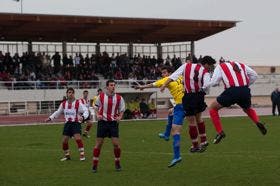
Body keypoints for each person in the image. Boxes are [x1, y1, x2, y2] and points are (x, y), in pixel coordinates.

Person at [160, 57, 214, 158]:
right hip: (199, 95)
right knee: (199, 119)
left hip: (189, 96)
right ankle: (204, 140)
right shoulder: (205, 71)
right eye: (210, 66)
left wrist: (164, 85)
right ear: (206, 64)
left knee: (191, 122)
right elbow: (207, 84)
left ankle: (195, 146)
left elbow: (173, 76)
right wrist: (202, 90)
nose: (210, 68)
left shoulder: (186, 66)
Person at [206, 60, 267, 144]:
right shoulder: (241, 64)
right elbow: (254, 75)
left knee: (213, 108)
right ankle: (257, 121)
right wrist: (246, 85)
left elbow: (214, 82)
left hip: (232, 91)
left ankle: (220, 132)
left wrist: (211, 80)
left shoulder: (221, 66)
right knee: (247, 108)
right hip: (245, 90)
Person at [135, 66, 186, 167]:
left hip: (181, 106)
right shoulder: (180, 77)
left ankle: (177, 156)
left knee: (175, 132)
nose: (163, 75)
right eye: (162, 73)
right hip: (187, 103)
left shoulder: (167, 79)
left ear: (170, 73)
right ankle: (166, 134)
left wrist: (142, 87)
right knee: (170, 111)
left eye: (165, 72)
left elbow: (153, 84)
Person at [46, 87, 89, 161]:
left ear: (74, 94)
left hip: (75, 123)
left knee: (78, 138)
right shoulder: (63, 104)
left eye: (72, 92)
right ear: (67, 94)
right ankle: (67, 156)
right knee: (64, 141)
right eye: (69, 92)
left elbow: (86, 110)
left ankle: (82, 156)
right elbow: (58, 112)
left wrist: (83, 117)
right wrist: (50, 118)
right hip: (67, 124)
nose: (70, 94)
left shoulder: (78, 103)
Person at [92, 80, 125, 173]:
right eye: (111, 85)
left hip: (113, 123)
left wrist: (120, 117)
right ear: (107, 87)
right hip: (103, 122)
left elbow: (122, 109)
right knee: (99, 144)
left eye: (114, 85)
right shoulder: (101, 96)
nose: (113, 86)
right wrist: (97, 114)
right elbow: (96, 107)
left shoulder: (119, 98)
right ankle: (94, 165)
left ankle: (117, 163)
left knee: (116, 144)